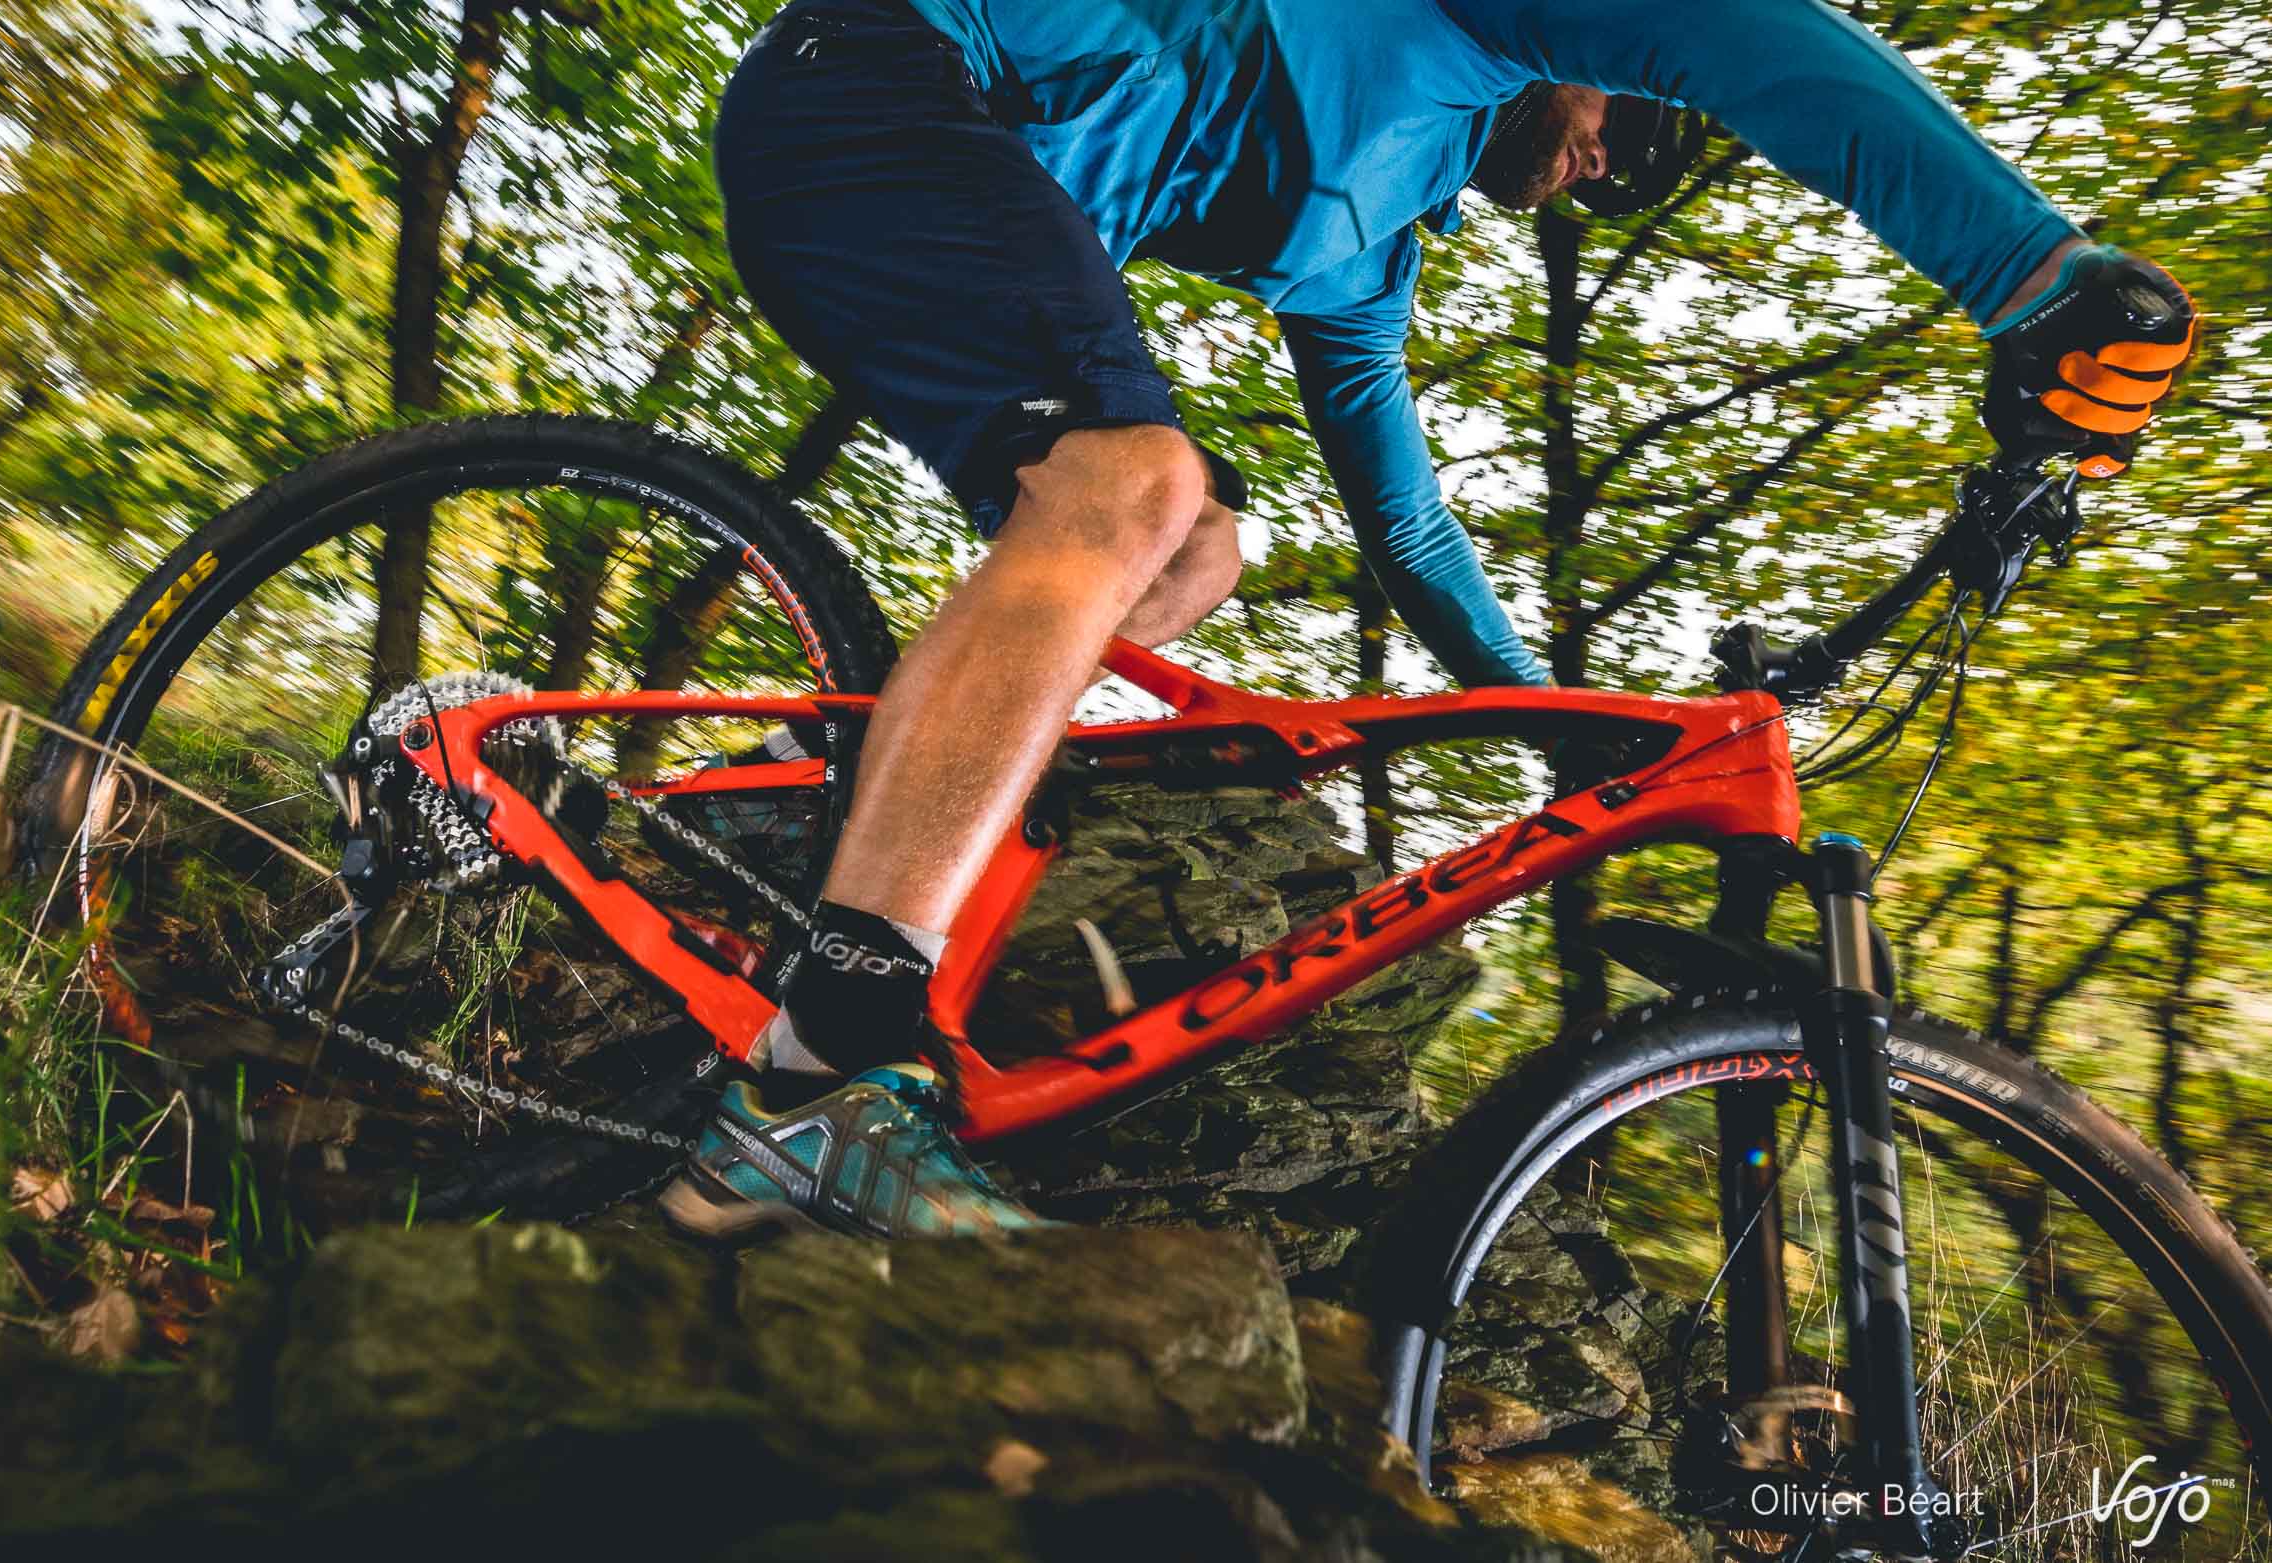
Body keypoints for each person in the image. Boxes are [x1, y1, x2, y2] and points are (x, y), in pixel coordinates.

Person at [659, 0, 2198, 1241]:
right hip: (881, 83)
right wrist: (2029, 271)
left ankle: (881, 820)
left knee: (1189, 545)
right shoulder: (1449, 19)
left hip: (941, 217)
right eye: (1625, 118)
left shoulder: (1361, 263)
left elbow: (1406, 530)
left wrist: (1550, 720)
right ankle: (821, 1070)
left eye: (1631, 169)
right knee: (1133, 486)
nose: (1611, 159)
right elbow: (1720, 29)